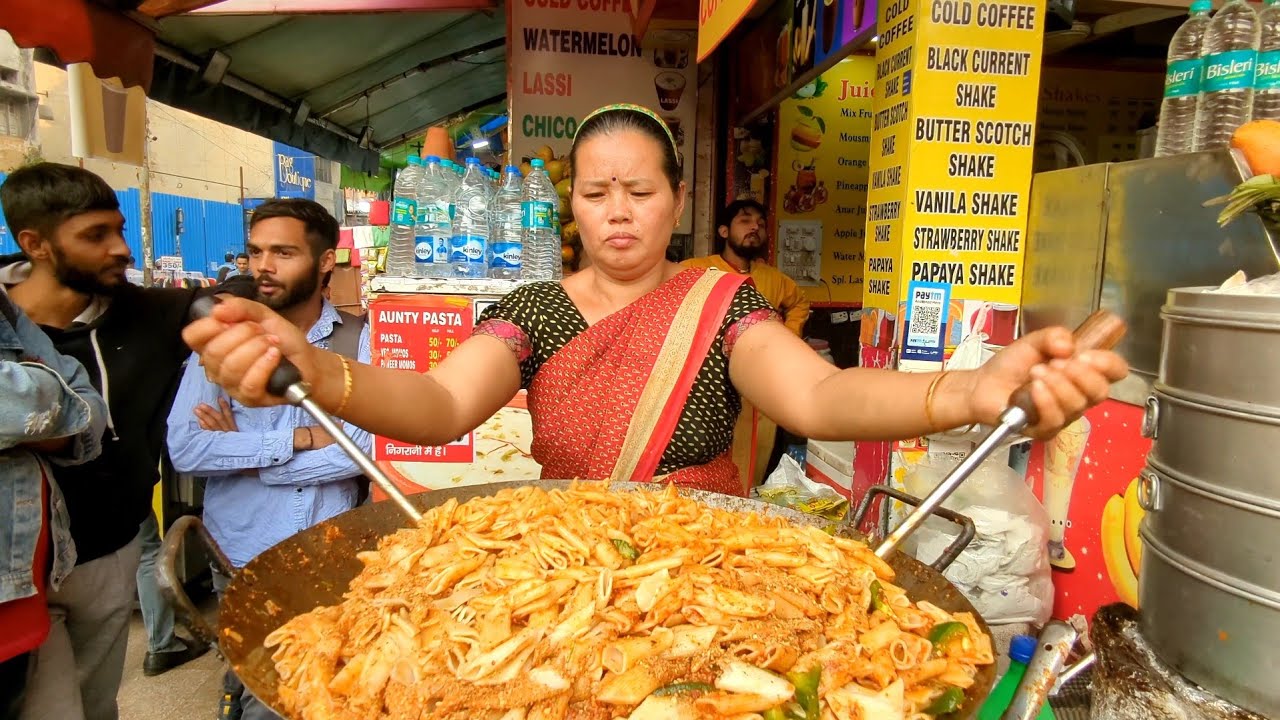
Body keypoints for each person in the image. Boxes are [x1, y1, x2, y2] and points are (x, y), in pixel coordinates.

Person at [181, 103, 1128, 501]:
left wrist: (972, 390)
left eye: (641, 192)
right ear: (572, 206)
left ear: (678, 200)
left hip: (703, 559)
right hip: (564, 558)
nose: (619, 214)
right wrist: (319, 369)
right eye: (596, 195)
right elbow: (437, 408)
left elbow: (817, 400)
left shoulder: (720, 301)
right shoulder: (535, 309)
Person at [0, 163, 256, 716]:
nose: (122, 249)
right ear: (35, 244)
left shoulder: (150, 314)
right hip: (16, 562)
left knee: (95, 703)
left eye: (120, 230)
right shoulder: (5, 328)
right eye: (96, 236)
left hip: (111, 551)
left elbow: (237, 295)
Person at [166, 198, 372, 720]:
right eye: (256, 252)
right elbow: (188, 449)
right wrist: (302, 440)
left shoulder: (359, 339)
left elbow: (365, 453)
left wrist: (242, 454)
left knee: (325, 696)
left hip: (329, 559)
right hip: (241, 556)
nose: (263, 266)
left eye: (283, 252)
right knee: (259, 697)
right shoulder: (225, 341)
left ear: (326, 261)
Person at [0, 289, 106, 720]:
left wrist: (42, 403)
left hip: (26, 600)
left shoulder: (3, 307)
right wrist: (42, 392)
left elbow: (89, 408)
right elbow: (37, 403)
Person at [684, 199, 811, 490]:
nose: (755, 227)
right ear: (724, 231)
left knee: (752, 471)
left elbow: (799, 302)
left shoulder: (773, 279)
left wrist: (786, 339)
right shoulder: (696, 269)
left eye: (761, 223)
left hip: (759, 394)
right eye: (745, 220)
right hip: (708, 389)